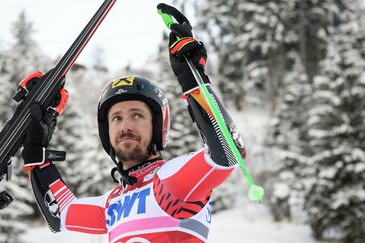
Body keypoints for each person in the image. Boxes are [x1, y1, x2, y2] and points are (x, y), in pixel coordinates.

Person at [22, 10, 246, 243]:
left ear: (158, 127)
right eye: (116, 118)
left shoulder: (171, 182)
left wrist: (193, 80)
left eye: (137, 115)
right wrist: (37, 145)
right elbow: (61, 213)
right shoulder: (113, 204)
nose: (125, 125)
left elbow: (228, 152)